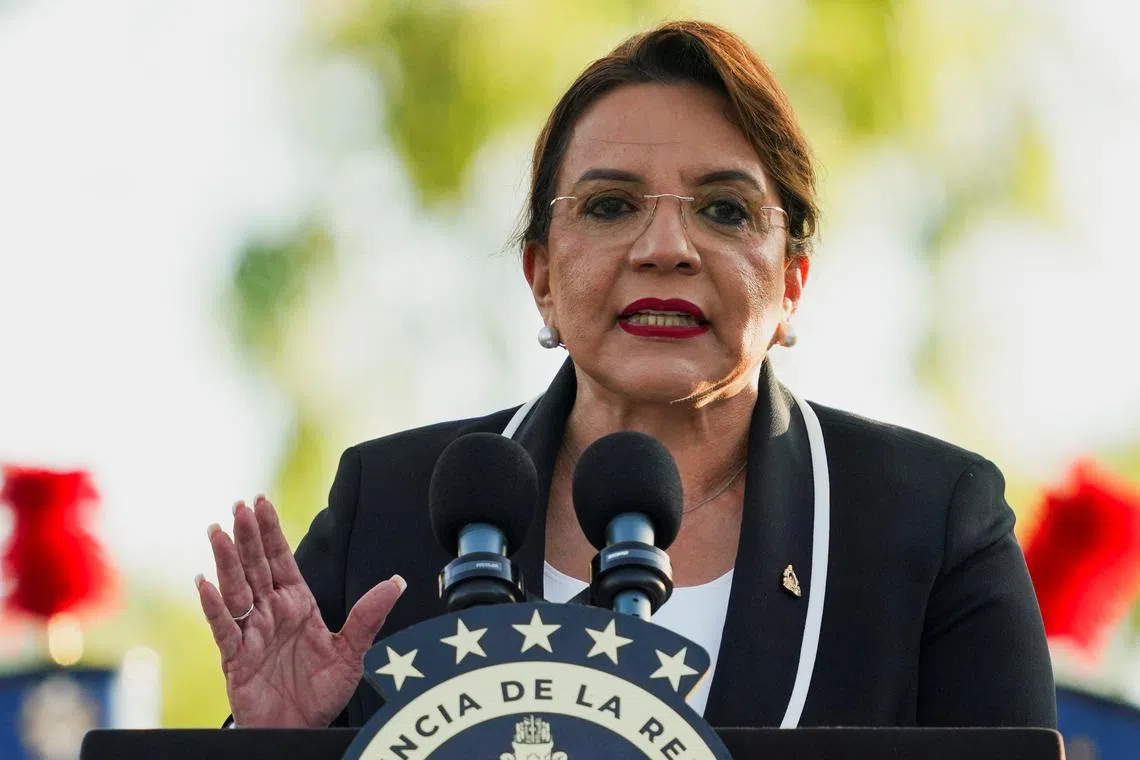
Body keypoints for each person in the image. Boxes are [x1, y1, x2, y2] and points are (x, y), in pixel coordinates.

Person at [196, 20, 1056, 730]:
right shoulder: (388, 509)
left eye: (724, 210)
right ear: (540, 276)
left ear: (793, 283)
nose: (665, 248)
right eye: (610, 206)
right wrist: (270, 749)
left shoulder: (931, 525)